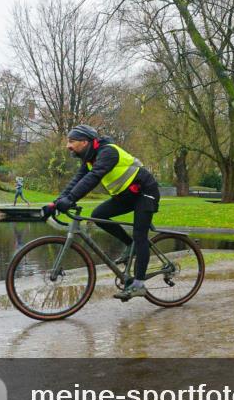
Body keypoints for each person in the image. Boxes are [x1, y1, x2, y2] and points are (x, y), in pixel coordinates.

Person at [43, 125, 160, 301]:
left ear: (85, 142)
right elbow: (78, 179)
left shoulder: (108, 152)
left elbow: (93, 177)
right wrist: (56, 202)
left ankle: (138, 284)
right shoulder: (89, 159)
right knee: (98, 215)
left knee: (140, 234)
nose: (68, 146)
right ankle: (130, 245)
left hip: (144, 192)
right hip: (127, 195)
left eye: (71, 141)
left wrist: (72, 199)